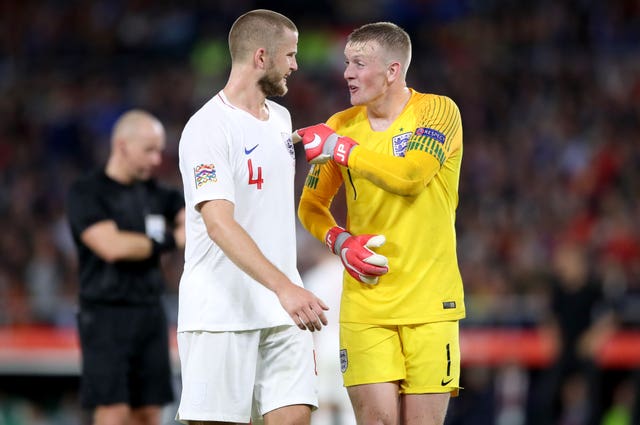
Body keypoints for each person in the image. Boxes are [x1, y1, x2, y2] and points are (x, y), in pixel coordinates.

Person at [296, 22, 466, 425]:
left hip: (431, 304)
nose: (347, 73)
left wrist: (343, 150)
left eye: (359, 63)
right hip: (366, 303)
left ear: (392, 70)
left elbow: (410, 177)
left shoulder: (437, 111)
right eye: (346, 63)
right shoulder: (340, 124)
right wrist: (340, 242)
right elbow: (311, 205)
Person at [175, 9, 328, 425]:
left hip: (283, 310)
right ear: (262, 57)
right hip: (221, 313)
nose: (296, 65)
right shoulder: (207, 128)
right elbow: (219, 223)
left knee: (296, 417)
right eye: (290, 55)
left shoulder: (281, 120)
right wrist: (284, 287)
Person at [67, 109, 186, 425]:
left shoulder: (161, 195)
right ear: (121, 145)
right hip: (105, 314)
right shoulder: (87, 192)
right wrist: (169, 240)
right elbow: (112, 246)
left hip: (150, 311)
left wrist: (161, 239)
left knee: (149, 411)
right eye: (149, 149)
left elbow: (196, 224)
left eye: (159, 149)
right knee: (113, 409)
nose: (157, 158)